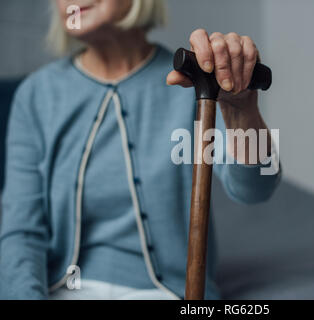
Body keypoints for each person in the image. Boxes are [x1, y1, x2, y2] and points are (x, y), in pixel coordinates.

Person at [0, 0, 280, 300]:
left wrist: (240, 113)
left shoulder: (194, 85)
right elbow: (21, 232)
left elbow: (255, 189)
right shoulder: (36, 95)